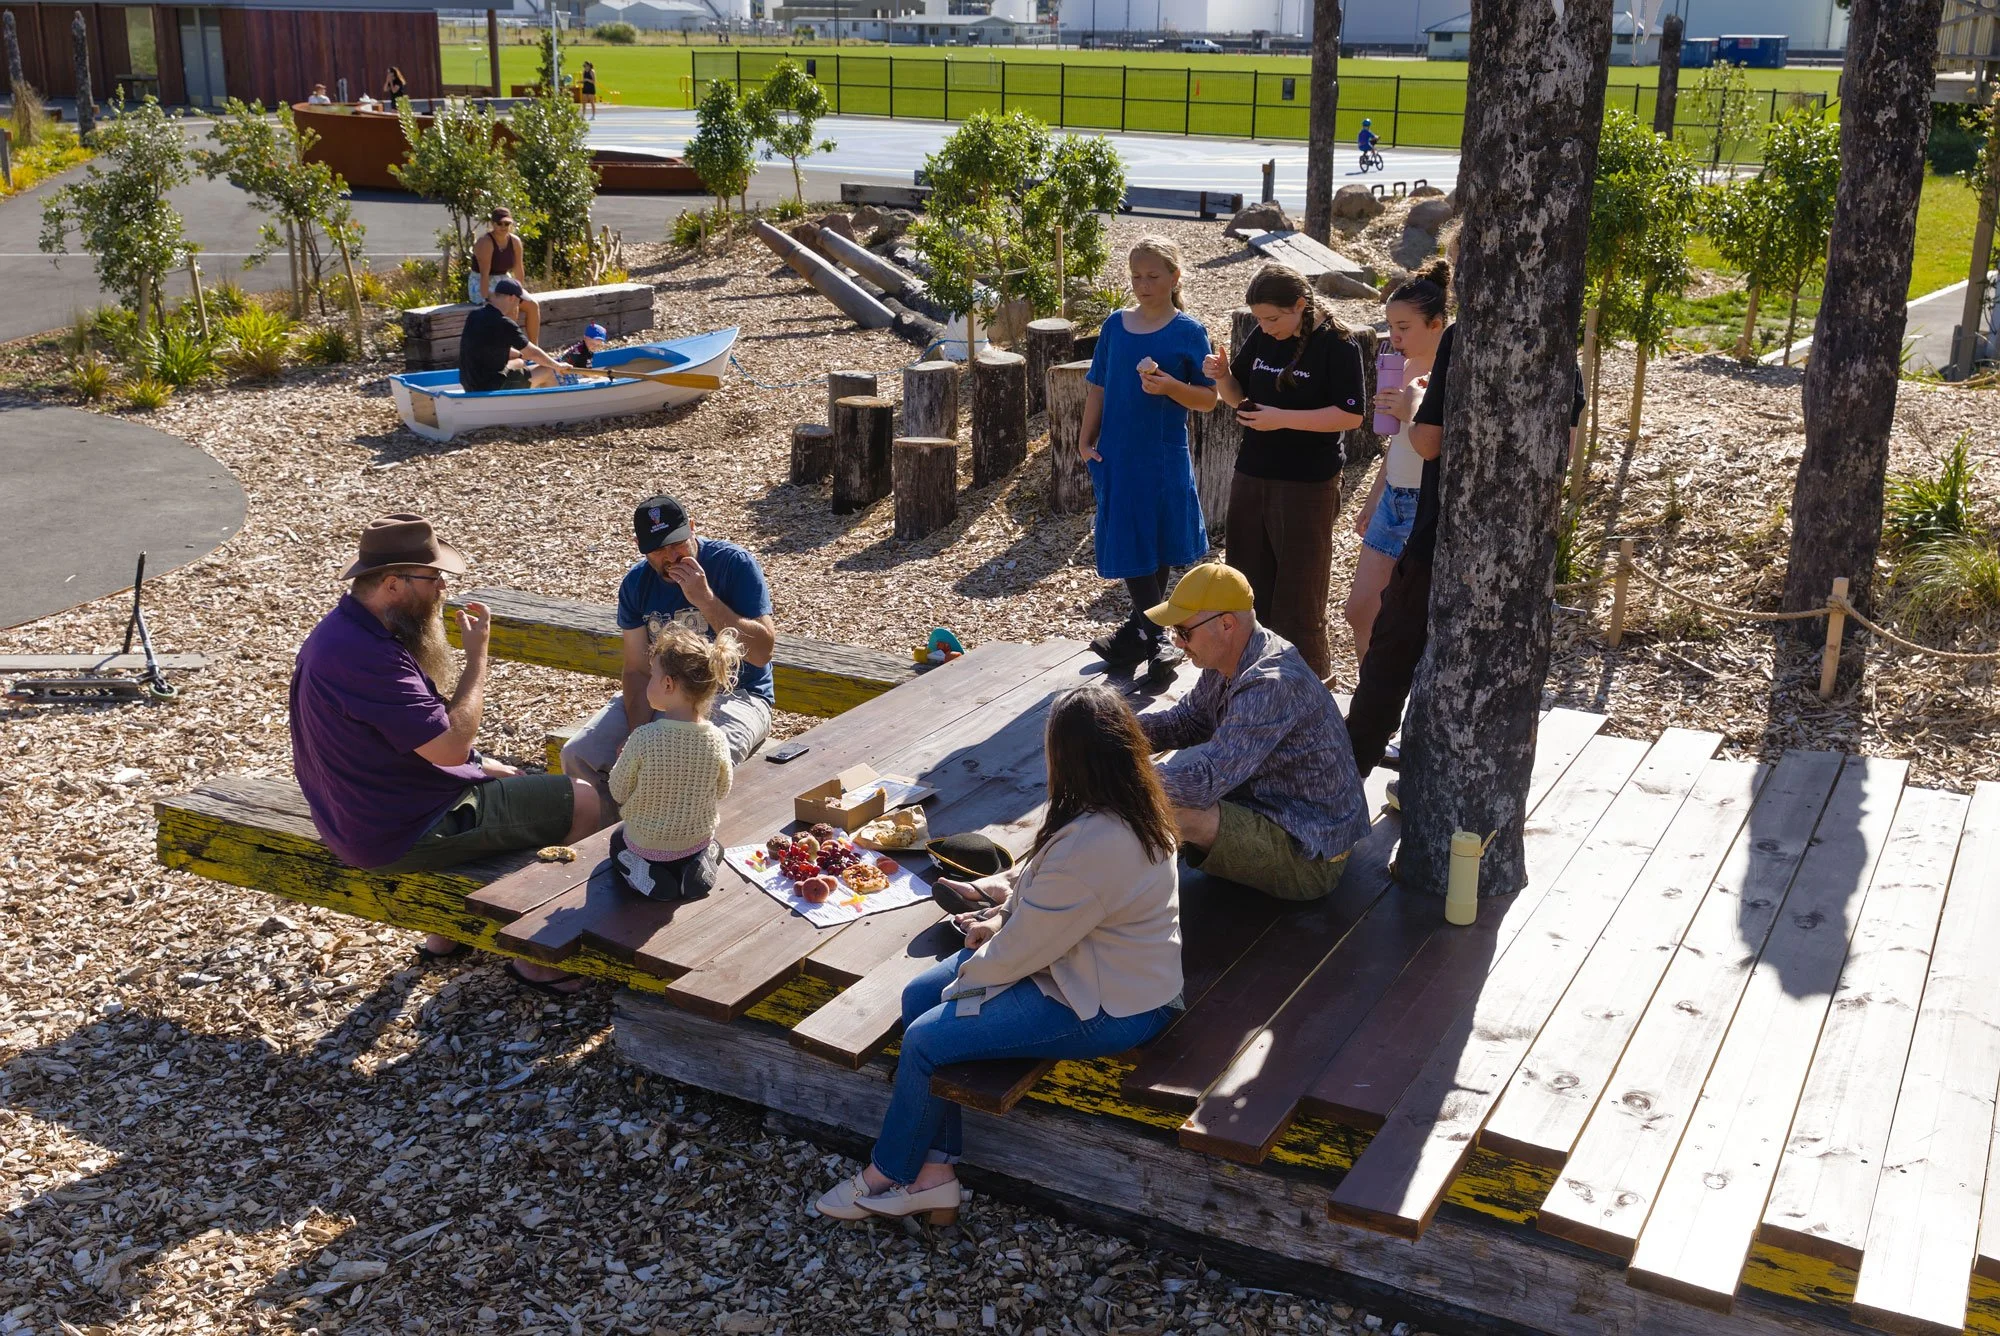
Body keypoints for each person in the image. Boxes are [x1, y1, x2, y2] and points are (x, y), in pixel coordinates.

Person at [814, 686, 1184, 1224]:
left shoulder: (1097, 842)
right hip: (1083, 970)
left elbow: (1020, 951)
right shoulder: (1123, 811)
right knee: (919, 995)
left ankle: (887, 1174)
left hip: (1116, 1004)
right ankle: (934, 1176)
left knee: (925, 1038)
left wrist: (963, 984)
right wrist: (991, 928)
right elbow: (1040, 908)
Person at [289, 514, 601, 991]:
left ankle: (444, 935)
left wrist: (480, 765)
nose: (442, 591)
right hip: (398, 830)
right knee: (582, 798)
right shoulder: (369, 656)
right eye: (433, 579)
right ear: (393, 583)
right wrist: (478, 659)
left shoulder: (342, 632)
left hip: (354, 811)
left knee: (504, 775)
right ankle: (541, 955)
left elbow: (413, 741)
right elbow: (452, 746)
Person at [1343, 295, 1589, 779]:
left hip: (1441, 532)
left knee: (1389, 663)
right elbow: (1565, 453)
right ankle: (1421, 779)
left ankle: (1345, 779)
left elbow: (1426, 441)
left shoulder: (1461, 338)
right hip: (1516, 547)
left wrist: (1415, 407)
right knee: (1471, 675)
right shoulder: (1562, 349)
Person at [1137, 563, 1372, 902]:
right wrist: (1119, 730)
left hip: (1312, 855)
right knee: (1166, 784)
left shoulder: (1269, 683)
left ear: (1226, 624)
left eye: (1183, 632)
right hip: (1273, 809)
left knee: (1175, 810)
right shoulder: (1230, 658)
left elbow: (1204, 783)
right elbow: (1186, 722)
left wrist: (1122, 772)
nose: (1178, 642)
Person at [562, 495, 777, 818]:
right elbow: (636, 669)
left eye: (677, 544)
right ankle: (608, 843)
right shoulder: (636, 583)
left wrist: (705, 599)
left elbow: (761, 653)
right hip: (663, 691)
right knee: (580, 754)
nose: (671, 557)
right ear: (639, 546)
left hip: (738, 692)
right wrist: (637, 734)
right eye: (658, 549)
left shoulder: (734, 564)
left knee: (695, 761)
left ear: (692, 528)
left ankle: (691, 848)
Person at [1202, 263, 1365, 681]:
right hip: (1252, 472)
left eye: (1272, 318)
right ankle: (1248, 682)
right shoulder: (1263, 335)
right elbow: (1237, 397)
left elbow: (1350, 415)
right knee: (1247, 585)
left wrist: (1283, 418)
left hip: (1308, 482)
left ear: (1300, 304)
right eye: (1258, 318)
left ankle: (1310, 690)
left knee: (1300, 597)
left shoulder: (1338, 344)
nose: (1264, 326)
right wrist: (1222, 378)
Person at [1077, 235, 1219, 680]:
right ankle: (1149, 636)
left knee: (1156, 539)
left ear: (1175, 276)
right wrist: (1085, 439)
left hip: (1163, 452)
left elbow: (1209, 399)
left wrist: (1171, 387)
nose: (1143, 284)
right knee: (1129, 534)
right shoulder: (1115, 326)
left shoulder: (1189, 332)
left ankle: (1143, 635)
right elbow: (1097, 386)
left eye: (1153, 275)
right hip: (1118, 451)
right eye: (1136, 276)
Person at [1344, 259, 1449, 666]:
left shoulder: (1454, 371)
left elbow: (1431, 444)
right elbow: (1395, 446)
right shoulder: (1399, 367)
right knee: (1359, 610)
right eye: (1391, 326)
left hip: (1429, 504)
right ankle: (1372, 708)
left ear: (1437, 323)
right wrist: (1374, 497)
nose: (1394, 336)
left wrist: (1411, 411)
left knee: (1416, 621)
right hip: (1393, 499)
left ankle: (1400, 707)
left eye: (1404, 327)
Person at [608, 624, 740, 901]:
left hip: (645, 844)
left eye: (652, 675)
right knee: (709, 843)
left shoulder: (644, 737)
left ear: (668, 683)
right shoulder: (716, 738)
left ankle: (643, 873)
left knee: (618, 839)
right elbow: (722, 790)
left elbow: (618, 791)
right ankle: (698, 865)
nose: (649, 682)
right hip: (694, 840)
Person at [456, 278, 565, 393]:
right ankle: (550, 408)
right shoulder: (505, 324)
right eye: (520, 301)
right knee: (547, 371)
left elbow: (488, 348)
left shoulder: (474, 316)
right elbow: (533, 353)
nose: (518, 305)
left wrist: (520, 355)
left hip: (469, 384)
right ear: (512, 298)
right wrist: (557, 365)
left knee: (519, 363)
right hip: (491, 388)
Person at [471, 207, 540, 343]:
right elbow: (484, 274)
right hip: (481, 282)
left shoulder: (515, 242)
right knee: (508, 306)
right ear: (493, 224)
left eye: (507, 224)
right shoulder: (485, 242)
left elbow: (519, 270)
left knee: (532, 305)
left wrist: (518, 293)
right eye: (499, 223)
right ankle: (507, 349)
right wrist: (486, 300)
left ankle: (534, 349)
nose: (503, 227)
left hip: (503, 279)